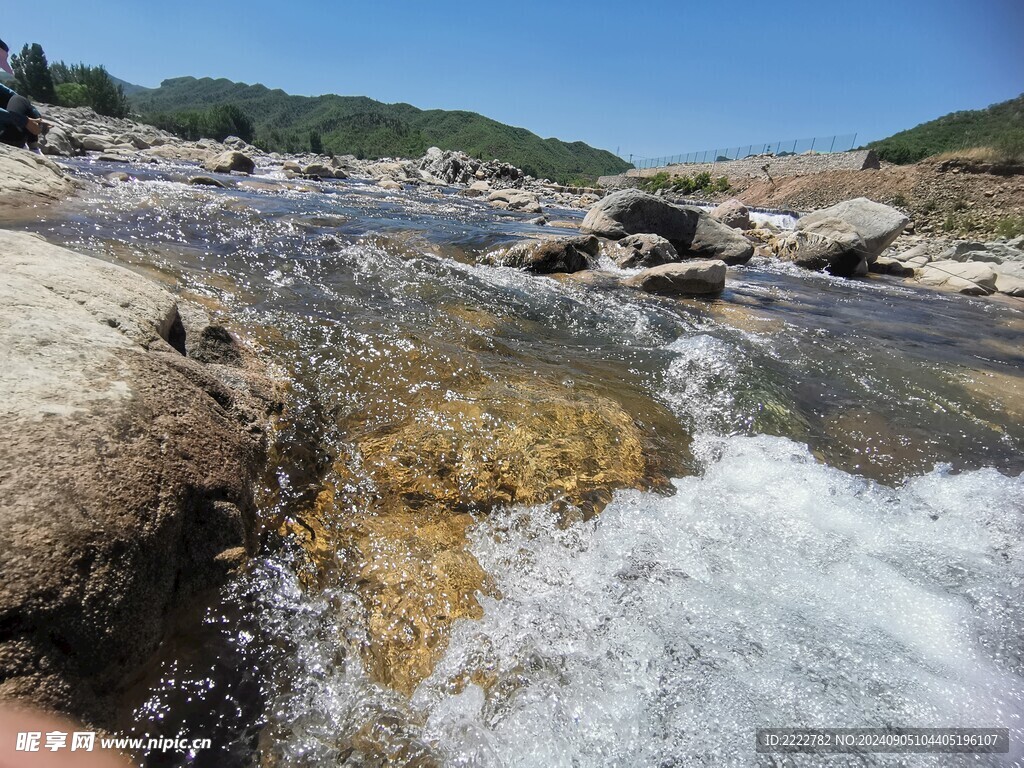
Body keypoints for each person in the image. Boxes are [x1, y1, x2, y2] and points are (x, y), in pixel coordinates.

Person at [0, 39, 46, 149]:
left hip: (8, 134)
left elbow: (13, 95)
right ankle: (33, 147)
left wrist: (37, 119)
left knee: (18, 99)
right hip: (5, 136)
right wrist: (25, 121)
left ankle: (34, 146)